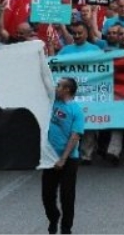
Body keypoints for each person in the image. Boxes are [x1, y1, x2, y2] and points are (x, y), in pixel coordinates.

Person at [42, 78, 84, 235]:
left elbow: (75, 136)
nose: (56, 87)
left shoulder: (76, 111)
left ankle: (66, 229)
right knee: (47, 195)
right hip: (50, 158)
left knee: (67, 196)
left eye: (59, 85)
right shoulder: (52, 102)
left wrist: (63, 159)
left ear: (67, 90)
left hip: (68, 159)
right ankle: (53, 217)